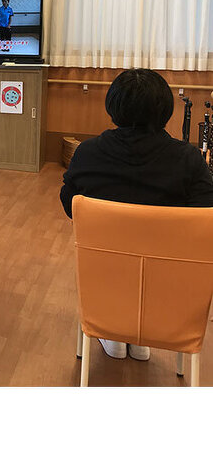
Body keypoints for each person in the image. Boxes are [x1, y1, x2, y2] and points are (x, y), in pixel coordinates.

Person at [60, 68, 213, 361]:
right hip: (169, 283)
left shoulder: (88, 153)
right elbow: (205, 217)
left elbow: (70, 205)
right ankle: (146, 331)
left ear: (112, 107)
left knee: (114, 262)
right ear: (165, 110)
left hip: (104, 273)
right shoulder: (188, 160)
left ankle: (113, 330)